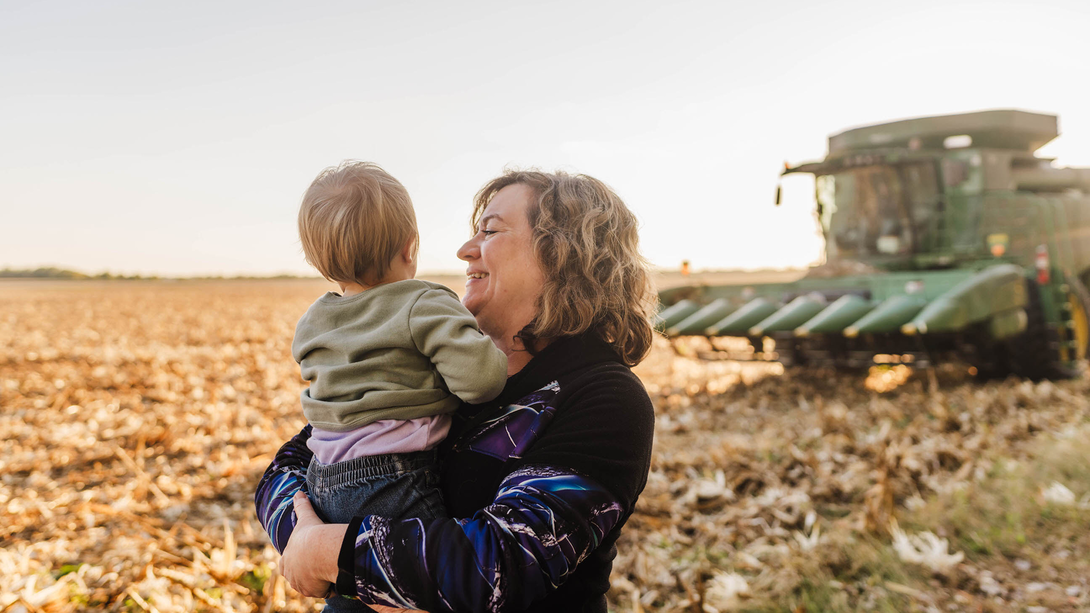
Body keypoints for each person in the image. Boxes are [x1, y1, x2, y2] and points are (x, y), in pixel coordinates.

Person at [256, 169, 657, 613]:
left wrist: (332, 554)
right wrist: (307, 541)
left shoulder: (605, 397)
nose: (465, 250)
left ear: (564, 252)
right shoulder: (431, 363)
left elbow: (502, 563)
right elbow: (288, 467)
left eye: (489, 230)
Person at [285, 161, 509, 612]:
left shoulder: (313, 321)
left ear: (318, 260)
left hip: (324, 478)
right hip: (392, 478)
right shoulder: (421, 302)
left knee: (358, 598)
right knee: (433, 591)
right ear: (410, 247)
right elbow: (482, 382)